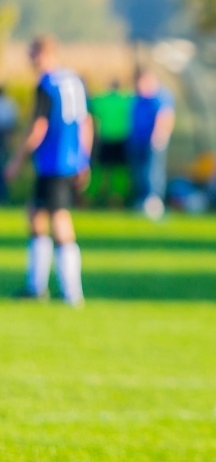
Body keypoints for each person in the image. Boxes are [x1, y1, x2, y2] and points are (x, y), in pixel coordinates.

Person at [3, 35, 92, 305]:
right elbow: (85, 121)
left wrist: (16, 160)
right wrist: (84, 159)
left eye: (32, 55)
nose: (30, 61)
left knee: (59, 220)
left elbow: (38, 127)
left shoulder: (46, 84)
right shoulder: (74, 80)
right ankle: (36, 286)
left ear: (42, 55)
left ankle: (71, 292)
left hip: (53, 162)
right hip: (70, 160)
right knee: (35, 214)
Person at [128, 68, 175, 220]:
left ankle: (154, 199)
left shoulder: (161, 96)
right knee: (140, 171)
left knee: (153, 170)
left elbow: (166, 116)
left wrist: (159, 135)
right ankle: (142, 198)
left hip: (154, 141)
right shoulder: (139, 97)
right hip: (137, 141)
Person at [88, 79, 134, 206]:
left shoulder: (102, 99)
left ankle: (90, 197)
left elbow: (90, 104)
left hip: (105, 138)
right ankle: (116, 199)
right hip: (120, 139)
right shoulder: (127, 100)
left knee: (99, 170)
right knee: (118, 171)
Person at [0, 83, 18, 202]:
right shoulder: (9, 104)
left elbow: (10, 125)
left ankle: (3, 194)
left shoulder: (7, 104)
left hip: (3, 136)